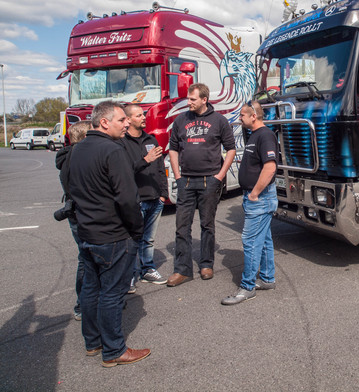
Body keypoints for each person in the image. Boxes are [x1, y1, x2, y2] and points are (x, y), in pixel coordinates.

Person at [68, 100, 150, 367]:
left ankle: (93, 342)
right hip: (113, 235)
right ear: (104, 122)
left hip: (87, 233)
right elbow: (127, 198)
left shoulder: (77, 150)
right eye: (121, 120)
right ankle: (114, 350)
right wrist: (137, 229)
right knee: (112, 294)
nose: (126, 123)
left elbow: (73, 189)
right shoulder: (113, 151)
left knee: (91, 289)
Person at [167, 83, 236, 287]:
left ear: (204, 100)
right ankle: (183, 270)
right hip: (186, 180)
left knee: (207, 225)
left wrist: (220, 176)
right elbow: (173, 149)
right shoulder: (181, 120)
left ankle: (207, 264)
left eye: (192, 99)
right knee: (182, 227)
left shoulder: (219, 121)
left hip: (209, 180)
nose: (188, 102)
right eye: (188, 99)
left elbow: (230, 149)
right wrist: (178, 176)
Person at [222, 101, 278, 305]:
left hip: (260, 199)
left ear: (253, 116)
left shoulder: (265, 135)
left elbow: (270, 167)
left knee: (250, 240)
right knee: (263, 240)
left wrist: (254, 194)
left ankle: (247, 287)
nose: (240, 118)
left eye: (243, 115)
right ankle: (267, 279)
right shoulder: (254, 135)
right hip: (256, 198)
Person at [121, 105, 168, 293]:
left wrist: (163, 194)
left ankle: (147, 269)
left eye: (144, 114)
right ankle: (130, 275)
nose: (143, 117)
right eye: (139, 115)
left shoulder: (151, 139)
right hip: (136, 200)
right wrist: (144, 160)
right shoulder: (121, 143)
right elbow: (123, 172)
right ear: (128, 119)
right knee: (132, 239)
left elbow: (159, 168)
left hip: (156, 198)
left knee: (148, 239)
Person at [55, 120, 92, 321]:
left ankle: (84, 304)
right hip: (83, 215)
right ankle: (82, 305)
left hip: (77, 214)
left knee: (85, 259)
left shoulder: (67, 157)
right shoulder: (77, 159)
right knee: (87, 260)